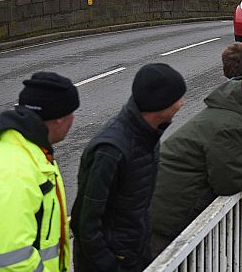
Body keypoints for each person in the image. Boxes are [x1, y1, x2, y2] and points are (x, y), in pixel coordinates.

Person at [72, 63, 186, 272]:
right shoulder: (110, 150)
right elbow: (85, 222)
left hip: (134, 255)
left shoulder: (148, 135)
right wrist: (111, 265)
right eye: (177, 98)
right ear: (160, 104)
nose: (182, 103)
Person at [151, 68, 242, 253]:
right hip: (168, 213)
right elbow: (228, 181)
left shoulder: (232, 113)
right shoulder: (229, 125)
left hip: (162, 206)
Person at [0, 72, 79, 272]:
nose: (73, 120)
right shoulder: (13, 170)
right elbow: (13, 263)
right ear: (58, 119)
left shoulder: (29, 151)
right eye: (71, 112)